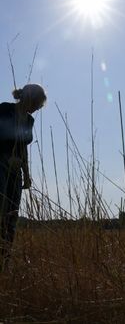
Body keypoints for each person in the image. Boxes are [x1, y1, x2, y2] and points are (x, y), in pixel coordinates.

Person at [0, 83, 47, 270]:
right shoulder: (4, 109)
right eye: (37, 103)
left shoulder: (29, 121)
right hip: (0, 165)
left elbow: (23, 148)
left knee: (11, 217)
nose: (37, 108)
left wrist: (26, 174)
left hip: (16, 172)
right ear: (29, 98)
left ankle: (4, 263)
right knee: (0, 211)